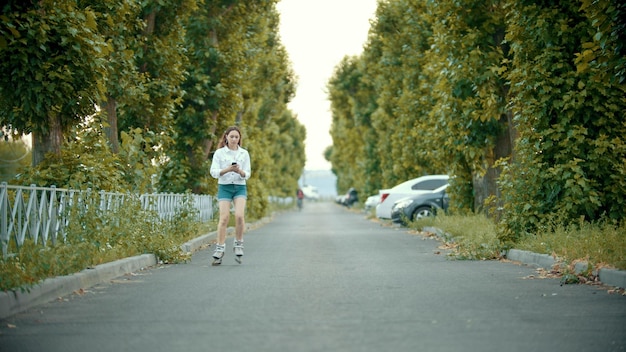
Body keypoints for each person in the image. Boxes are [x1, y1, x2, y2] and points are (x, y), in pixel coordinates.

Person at [209, 126, 251, 265]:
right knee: (224, 218)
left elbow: (248, 173)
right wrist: (227, 169)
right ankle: (220, 248)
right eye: (231, 136)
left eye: (236, 137)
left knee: (239, 215)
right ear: (226, 137)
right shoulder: (219, 153)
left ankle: (238, 243)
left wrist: (240, 172)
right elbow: (213, 172)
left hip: (239, 187)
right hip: (225, 187)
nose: (234, 139)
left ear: (239, 139)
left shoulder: (244, 153)